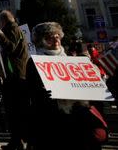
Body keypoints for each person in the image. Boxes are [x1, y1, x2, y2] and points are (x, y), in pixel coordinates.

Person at [27, 22, 105, 150]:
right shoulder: (35, 61)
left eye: (58, 35)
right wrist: (42, 94)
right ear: (42, 40)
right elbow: (31, 91)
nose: (56, 39)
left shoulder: (71, 59)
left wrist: (93, 78)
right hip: (51, 120)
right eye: (50, 36)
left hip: (76, 118)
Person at [0, 10, 29, 150]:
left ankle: (19, 141)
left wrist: (0, 34)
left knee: (15, 111)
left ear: (3, 21)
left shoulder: (13, 29)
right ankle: (16, 141)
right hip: (13, 76)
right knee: (12, 111)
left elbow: (11, 47)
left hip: (16, 77)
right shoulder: (14, 29)